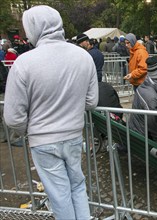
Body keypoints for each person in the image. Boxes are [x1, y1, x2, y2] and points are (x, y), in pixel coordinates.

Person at [3, 5, 98, 220]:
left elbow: (12, 117)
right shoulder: (83, 57)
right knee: (77, 186)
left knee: (59, 194)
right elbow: (91, 102)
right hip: (73, 135)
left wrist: (32, 129)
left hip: (43, 140)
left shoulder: (24, 63)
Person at [128, 56, 157, 137]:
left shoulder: (149, 85)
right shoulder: (150, 95)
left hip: (140, 130)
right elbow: (154, 122)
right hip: (141, 135)